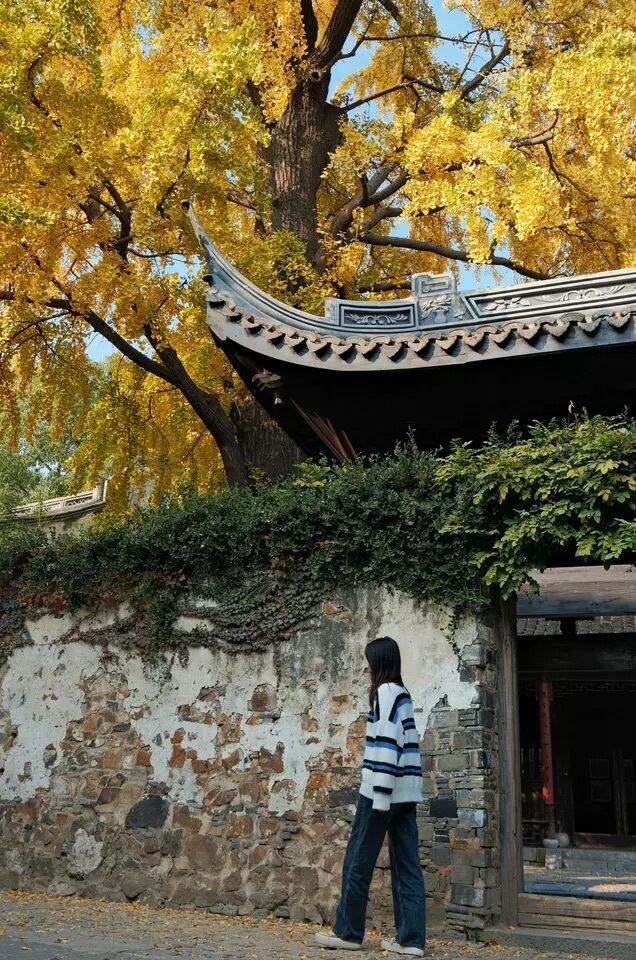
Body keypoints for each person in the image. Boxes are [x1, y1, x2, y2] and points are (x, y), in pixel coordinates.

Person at [315, 636, 425, 956]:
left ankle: (348, 932)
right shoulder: (402, 694)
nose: (367, 670)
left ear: (378, 663)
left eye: (369, 663)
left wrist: (380, 796)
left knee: (357, 861)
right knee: (407, 865)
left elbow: (387, 745)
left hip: (382, 792)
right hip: (405, 793)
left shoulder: (386, 693)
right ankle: (411, 941)